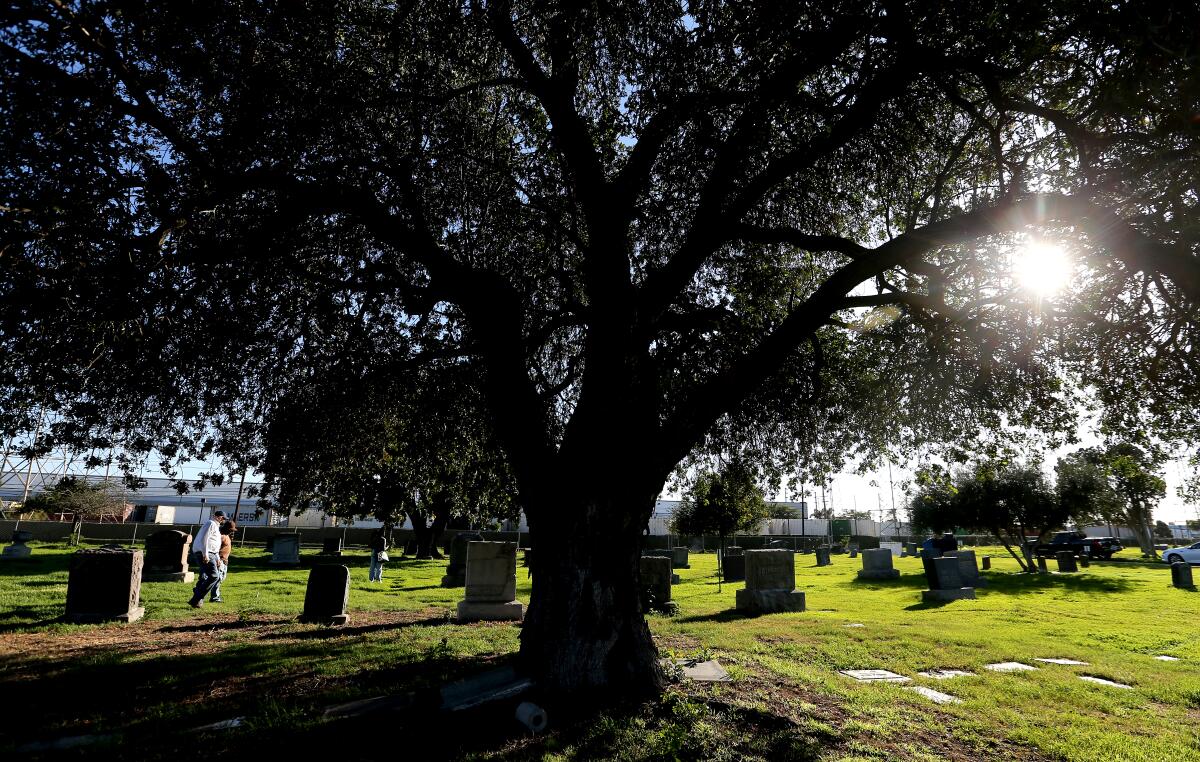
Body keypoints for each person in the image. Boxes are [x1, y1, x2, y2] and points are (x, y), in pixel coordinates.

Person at [188, 510, 226, 608]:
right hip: (206, 553)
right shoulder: (211, 523)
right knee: (214, 576)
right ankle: (196, 598)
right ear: (217, 517)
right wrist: (205, 554)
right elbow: (205, 538)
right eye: (222, 518)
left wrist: (217, 557)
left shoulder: (216, 526)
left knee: (207, 576)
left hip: (212, 553)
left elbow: (214, 544)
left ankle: (197, 598)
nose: (222, 520)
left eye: (223, 518)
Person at [209, 520, 236, 603]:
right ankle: (214, 597)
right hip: (220, 560)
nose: (232, 532)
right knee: (218, 578)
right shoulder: (221, 536)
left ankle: (210, 594)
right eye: (231, 530)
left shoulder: (226, 536)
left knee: (221, 578)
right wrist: (218, 559)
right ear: (227, 529)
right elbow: (215, 548)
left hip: (225, 561)